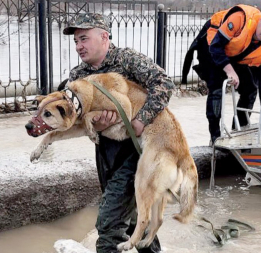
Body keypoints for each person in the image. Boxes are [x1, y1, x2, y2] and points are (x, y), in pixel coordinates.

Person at [63, 13, 175, 253]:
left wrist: (141, 119)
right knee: (134, 216)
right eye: (75, 41)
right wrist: (94, 125)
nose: (79, 46)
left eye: (84, 38)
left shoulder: (127, 60)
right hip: (106, 152)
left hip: (138, 150)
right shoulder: (76, 77)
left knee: (110, 223)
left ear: (104, 37)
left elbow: (164, 83)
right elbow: (71, 119)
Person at [182, 5, 261, 144]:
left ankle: (240, 132)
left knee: (250, 89)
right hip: (212, 46)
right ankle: (215, 137)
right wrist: (229, 71)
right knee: (217, 87)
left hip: (234, 53)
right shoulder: (239, 19)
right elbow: (216, 46)